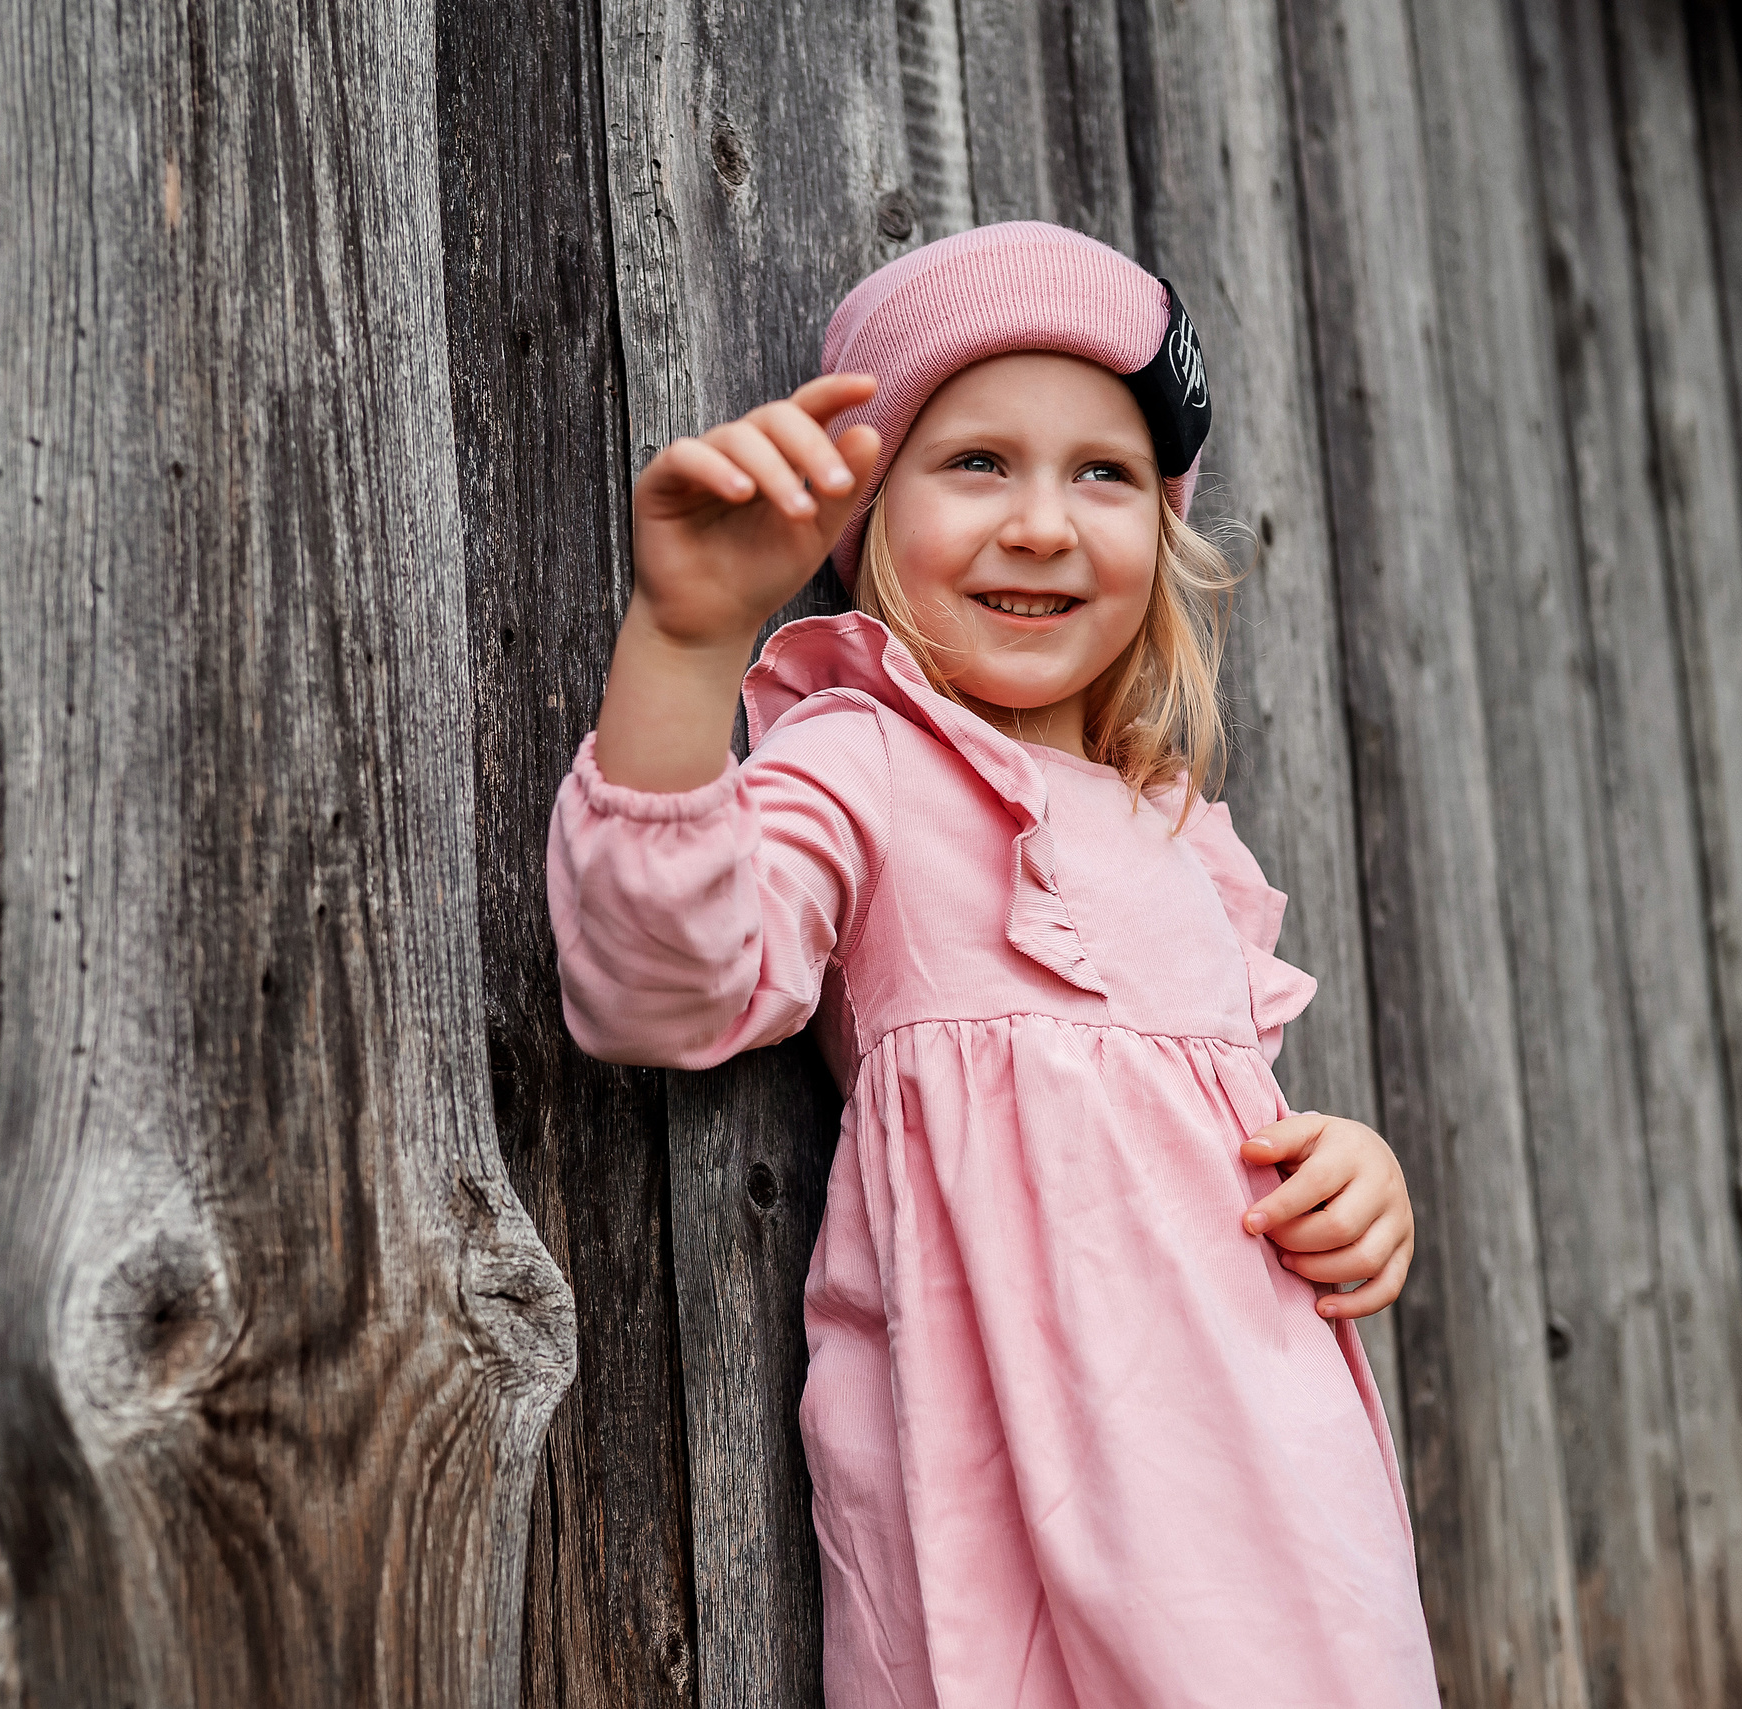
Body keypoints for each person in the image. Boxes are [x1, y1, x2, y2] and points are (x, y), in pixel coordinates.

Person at [545, 222, 1437, 1706]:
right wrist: (690, 643)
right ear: (870, 511)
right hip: (1016, 1482)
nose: (1042, 522)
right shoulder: (868, 755)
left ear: (1164, 527)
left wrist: (1357, 1176)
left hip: (1272, 1501)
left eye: (1105, 472)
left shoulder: (1179, 835)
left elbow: (1242, 1126)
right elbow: (662, 982)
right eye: (976, 463)